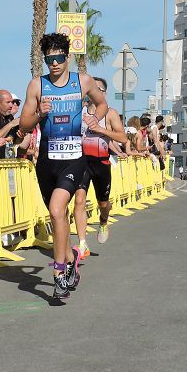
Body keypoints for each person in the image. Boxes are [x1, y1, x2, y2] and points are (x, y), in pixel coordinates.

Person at [18, 32, 107, 302]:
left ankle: (58, 276)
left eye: (58, 58)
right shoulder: (37, 86)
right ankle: (69, 259)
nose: (54, 64)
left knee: (58, 210)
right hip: (46, 160)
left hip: (73, 157)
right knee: (56, 217)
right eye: (49, 59)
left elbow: (102, 103)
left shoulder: (83, 81)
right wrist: (40, 114)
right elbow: (23, 125)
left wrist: (93, 119)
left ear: (67, 57)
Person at [73, 76, 128, 256]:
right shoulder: (79, 112)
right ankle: (82, 243)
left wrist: (101, 129)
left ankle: (103, 222)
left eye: (99, 90)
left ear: (104, 93)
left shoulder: (110, 113)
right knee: (79, 200)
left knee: (103, 204)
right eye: (92, 89)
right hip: (81, 161)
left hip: (101, 162)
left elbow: (123, 138)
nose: (94, 92)